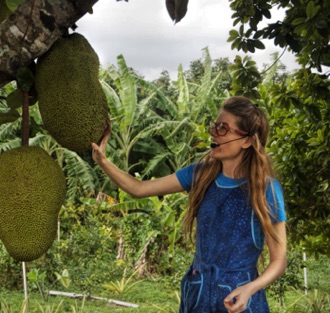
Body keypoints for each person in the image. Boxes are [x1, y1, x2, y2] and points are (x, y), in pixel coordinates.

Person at [91, 96, 287, 313]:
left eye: (223, 129)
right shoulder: (200, 174)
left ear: (247, 141)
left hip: (242, 303)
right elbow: (139, 189)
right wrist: (103, 161)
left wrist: (251, 288)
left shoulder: (266, 190)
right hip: (198, 297)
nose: (214, 133)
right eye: (215, 126)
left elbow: (279, 260)